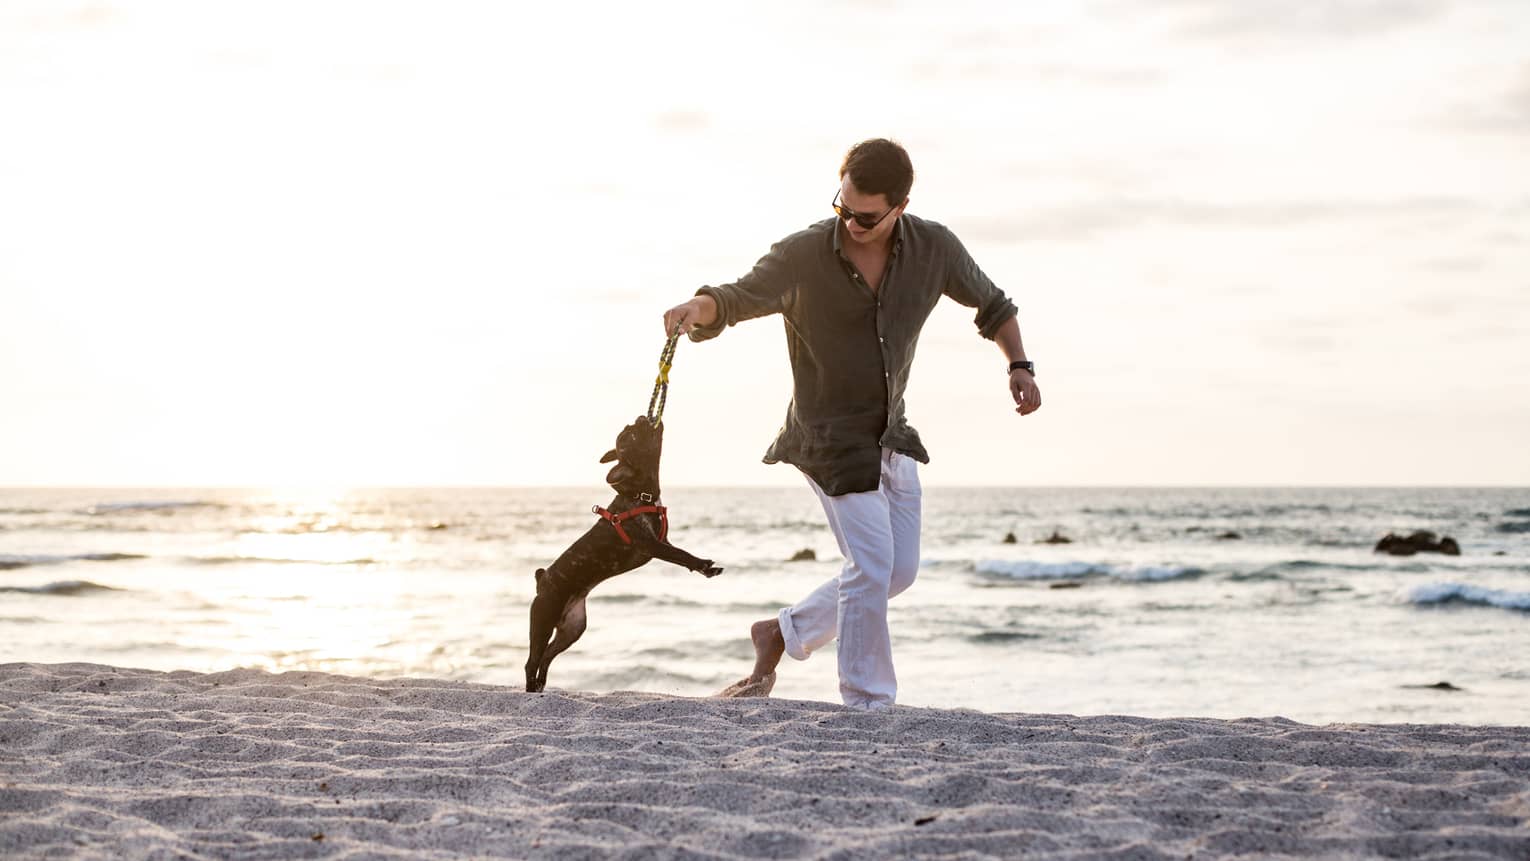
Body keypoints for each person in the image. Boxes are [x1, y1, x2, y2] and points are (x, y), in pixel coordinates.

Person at [662, 138, 1040, 711]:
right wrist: (698, 306)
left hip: (892, 435)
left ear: (900, 207)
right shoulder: (806, 253)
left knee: (898, 572)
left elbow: (994, 305)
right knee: (870, 565)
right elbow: (739, 296)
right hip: (829, 439)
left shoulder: (933, 248)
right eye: (842, 208)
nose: (851, 223)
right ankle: (867, 703)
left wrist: (1018, 365)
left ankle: (782, 633)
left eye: (865, 216)